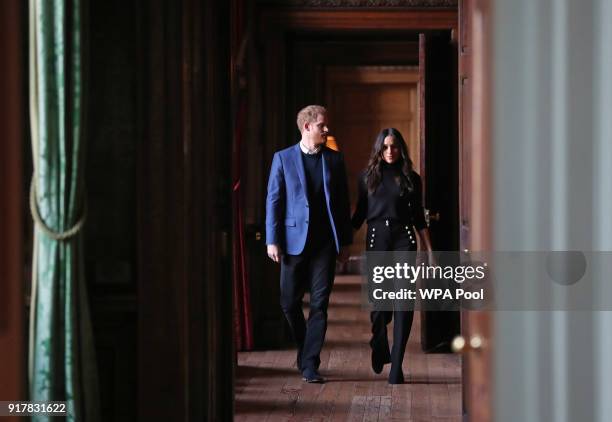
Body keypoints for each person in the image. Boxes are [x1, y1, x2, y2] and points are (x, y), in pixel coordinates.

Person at [265, 105, 352, 383]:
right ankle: (305, 349)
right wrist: (272, 240)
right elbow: (274, 201)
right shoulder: (283, 158)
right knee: (288, 302)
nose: (327, 130)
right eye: (322, 126)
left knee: (319, 304)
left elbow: (341, 205)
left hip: (325, 245)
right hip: (291, 243)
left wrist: (345, 243)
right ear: (306, 127)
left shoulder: (335, 160)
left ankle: (311, 363)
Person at [351, 127, 435, 384]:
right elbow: (360, 215)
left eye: (395, 146)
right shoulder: (366, 177)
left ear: (401, 148)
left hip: (404, 242)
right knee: (380, 307)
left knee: (403, 303)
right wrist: (342, 242)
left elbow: (419, 218)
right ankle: (379, 341)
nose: (390, 151)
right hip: (377, 241)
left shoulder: (412, 178)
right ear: (379, 149)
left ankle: (397, 366)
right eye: (385, 147)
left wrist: (429, 251)